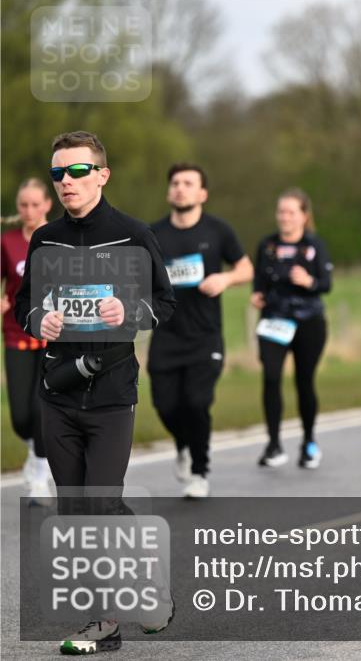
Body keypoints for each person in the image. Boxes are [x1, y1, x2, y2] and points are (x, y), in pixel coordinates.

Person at [13, 131, 177, 653]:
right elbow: (23, 307)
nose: (66, 182)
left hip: (111, 394)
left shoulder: (133, 234)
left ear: (102, 175)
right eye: (58, 172)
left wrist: (129, 313)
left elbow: (164, 303)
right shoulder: (45, 240)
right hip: (57, 393)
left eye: (78, 171)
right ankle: (101, 624)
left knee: (101, 505)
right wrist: (43, 319)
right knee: (75, 513)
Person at [147, 163, 253, 498]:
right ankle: (182, 443)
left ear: (202, 193)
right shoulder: (153, 235)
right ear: (168, 192)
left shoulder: (218, 231)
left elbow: (246, 268)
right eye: (175, 183)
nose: (180, 188)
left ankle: (199, 471)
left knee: (197, 402)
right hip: (165, 335)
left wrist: (225, 278)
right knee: (166, 406)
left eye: (188, 183)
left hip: (205, 336)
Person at [252, 189, 333, 468]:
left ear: (304, 216)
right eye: (281, 212)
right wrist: (257, 295)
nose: (284, 217)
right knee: (271, 377)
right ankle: (274, 444)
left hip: (308, 321)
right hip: (274, 320)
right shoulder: (267, 246)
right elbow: (259, 281)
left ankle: (309, 442)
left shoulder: (314, 245)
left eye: (291, 212)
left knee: (304, 381)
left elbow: (326, 283)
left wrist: (308, 281)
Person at [1, 178, 53, 502]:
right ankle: (35, 449)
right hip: (17, 334)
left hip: (54, 337)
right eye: (24, 205)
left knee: (42, 410)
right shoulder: (7, 242)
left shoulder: (61, 238)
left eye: (36, 204)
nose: (30, 211)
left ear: (48, 204)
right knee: (21, 417)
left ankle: (39, 471)